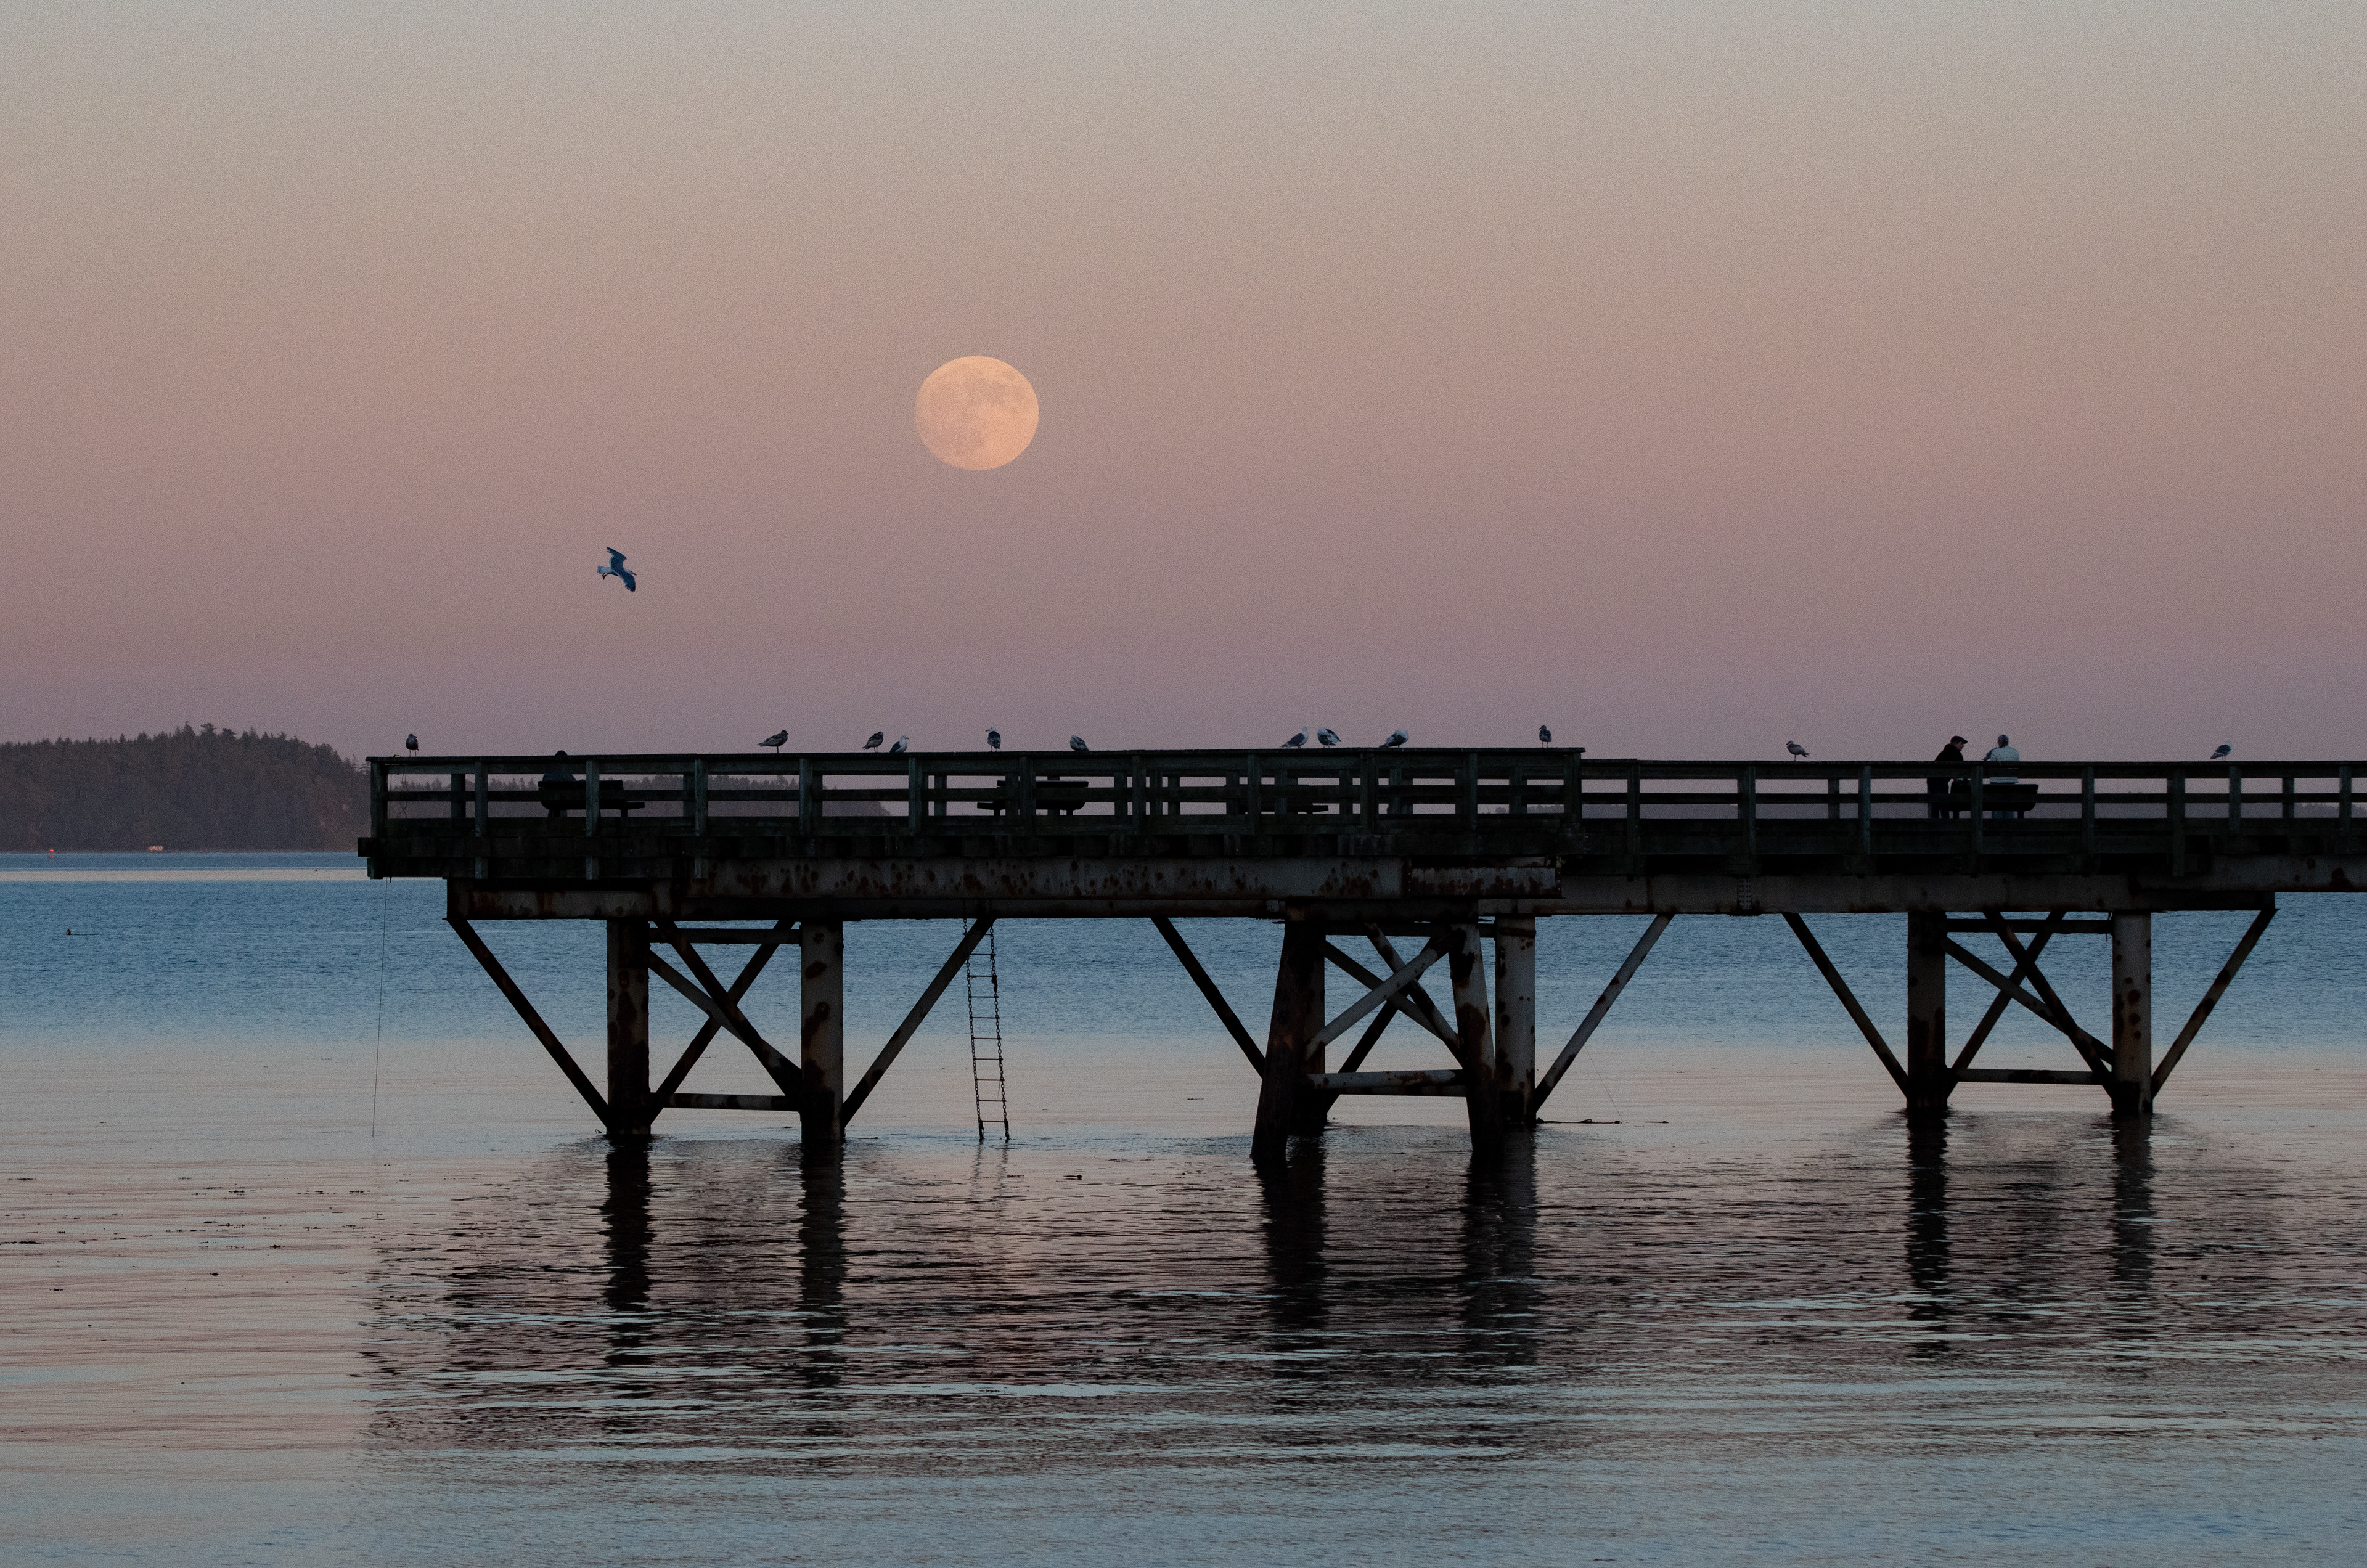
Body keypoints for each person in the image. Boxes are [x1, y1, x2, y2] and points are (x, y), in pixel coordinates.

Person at [1928, 735, 1967, 819]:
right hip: (1941, 781)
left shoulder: (1943, 753)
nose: (1963, 746)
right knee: (1944, 802)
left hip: (1932, 779)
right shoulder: (1957, 754)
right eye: (1961, 744)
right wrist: (1959, 778)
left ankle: (1934, 823)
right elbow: (1961, 769)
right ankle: (1946, 822)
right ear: (1955, 743)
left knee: (1935, 803)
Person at [1983, 733, 2021, 818]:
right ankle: (2010, 823)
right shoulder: (2014, 751)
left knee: (1997, 804)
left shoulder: (1995, 751)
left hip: (1997, 783)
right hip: (2011, 782)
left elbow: (1992, 766)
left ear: (1998, 742)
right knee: (2009, 804)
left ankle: (1997, 822)